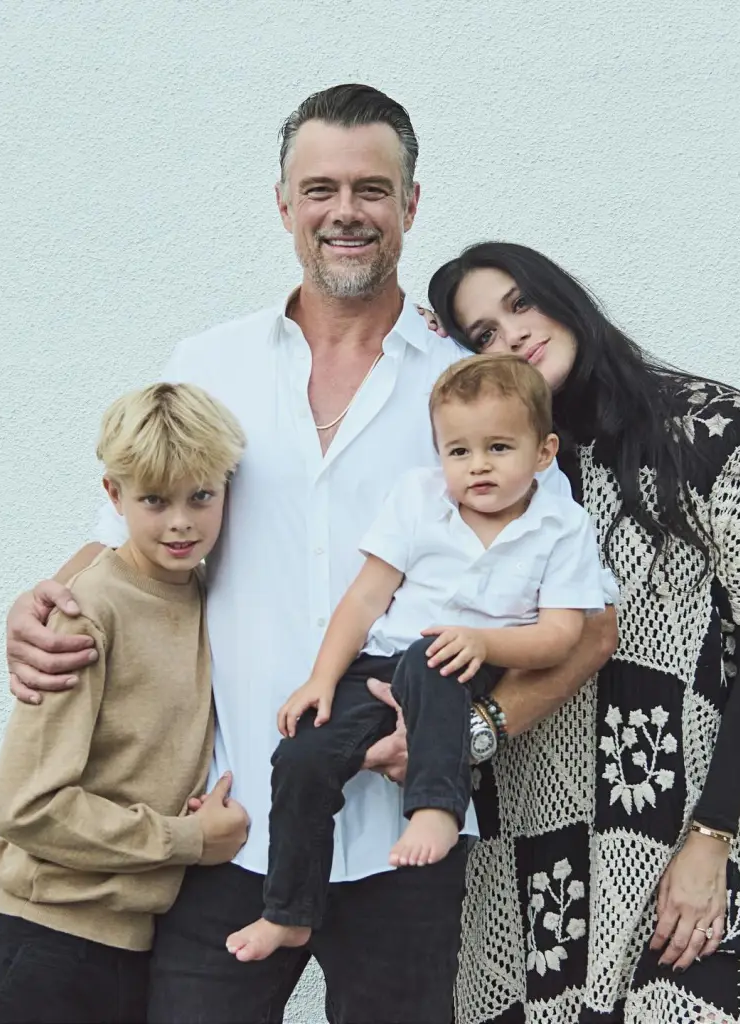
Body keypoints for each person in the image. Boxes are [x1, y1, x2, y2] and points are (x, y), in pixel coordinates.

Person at [3, 86, 617, 1024]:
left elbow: (588, 622)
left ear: (411, 207)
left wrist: (477, 731)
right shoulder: (213, 364)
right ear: (284, 205)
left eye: (372, 189)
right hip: (236, 826)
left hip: (405, 840)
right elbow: (123, 534)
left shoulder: (474, 387)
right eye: (319, 187)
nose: (346, 212)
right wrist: (43, 599)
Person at [427, 243, 740, 1024]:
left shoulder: (708, 424)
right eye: (479, 335)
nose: (509, 335)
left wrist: (712, 835)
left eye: (519, 303)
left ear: (560, 294)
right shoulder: (499, 467)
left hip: (675, 825)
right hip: (520, 830)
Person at [228, 354, 610, 963]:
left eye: (499, 447)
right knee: (302, 752)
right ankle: (289, 910)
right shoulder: (418, 499)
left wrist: (484, 642)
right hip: (382, 664)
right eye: (458, 451)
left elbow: (562, 635)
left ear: (544, 452)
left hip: (468, 664)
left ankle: (436, 807)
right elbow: (364, 598)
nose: (477, 464)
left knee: (432, 655)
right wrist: (321, 680)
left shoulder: (563, 527)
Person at [0, 383, 250, 1024]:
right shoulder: (88, 610)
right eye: (153, 500)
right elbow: (26, 803)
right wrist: (188, 839)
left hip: (129, 950)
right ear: (113, 496)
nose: (180, 522)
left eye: (202, 496)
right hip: (42, 944)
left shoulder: (201, 594)